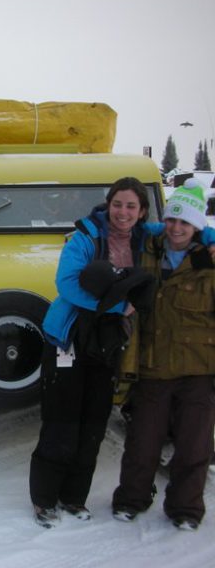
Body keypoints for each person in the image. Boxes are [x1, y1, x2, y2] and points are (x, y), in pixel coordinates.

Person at [29, 176, 156, 528]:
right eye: (118, 204)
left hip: (107, 345)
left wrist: (208, 238)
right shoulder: (87, 237)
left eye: (131, 206)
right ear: (108, 204)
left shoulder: (145, 237)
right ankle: (44, 499)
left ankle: (73, 497)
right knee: (62, 423)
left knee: (93, 424)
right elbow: (67, 284)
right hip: (68, 340)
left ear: (142, 210)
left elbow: (183, 230)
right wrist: (118, 308)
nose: (123, 212)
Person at [112, 178, 215, 531]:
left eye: (185, 222)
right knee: (143, 442)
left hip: (198, 369)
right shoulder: (148, 249)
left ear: (197, 226)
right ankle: (130, 500)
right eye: (172, 220)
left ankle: (186, 508)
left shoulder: (209, 261)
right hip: (153, 367)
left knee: (194, 445)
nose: (176, 228)